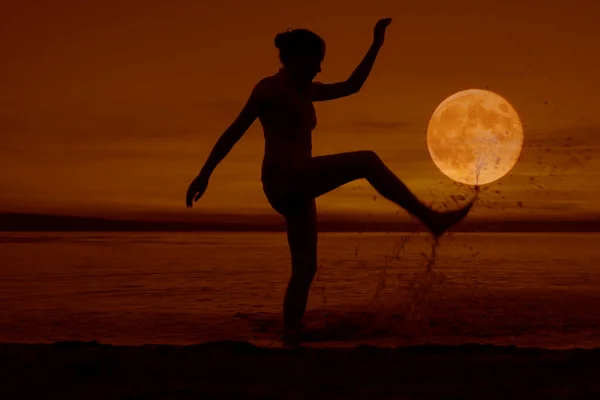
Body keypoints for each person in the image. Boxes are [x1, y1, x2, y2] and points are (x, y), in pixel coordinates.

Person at [186, 18, 474, 343]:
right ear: (297, 58)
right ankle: (431, 218)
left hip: (301, 185)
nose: (320, 68)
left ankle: (291, 333)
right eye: (316, 60)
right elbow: (234, 130)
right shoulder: (268, 89)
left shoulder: (307, 91)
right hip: (283, 178)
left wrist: (376, 45)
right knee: (366, 160)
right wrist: (205, 173)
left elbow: (353, 86)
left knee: (306, 268)